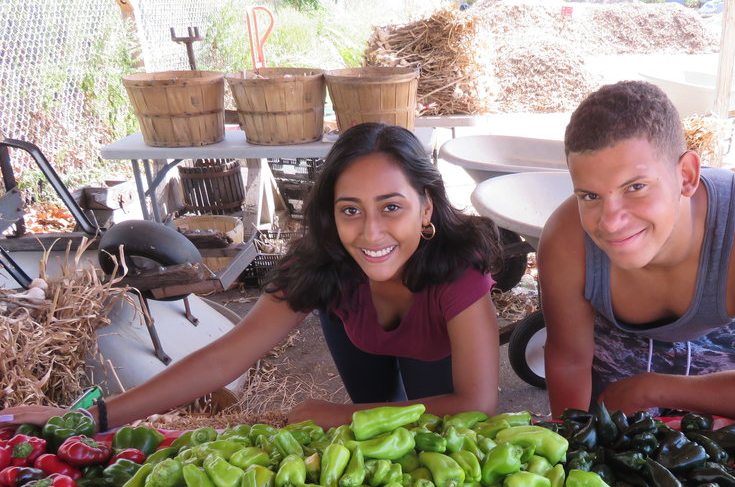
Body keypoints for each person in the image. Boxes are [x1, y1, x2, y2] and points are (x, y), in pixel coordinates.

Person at [2, 122, 502, 431]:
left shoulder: (457, 274)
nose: (371, 233)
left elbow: (476, 404)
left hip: (436, 346)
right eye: (351, 209)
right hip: (356, 327)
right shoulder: (321, 266)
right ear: (331, 213)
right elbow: (225, 356)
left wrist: (341, 417)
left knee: (430, 417)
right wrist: (96, 417)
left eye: (392, 206)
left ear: (426, 205)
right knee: (378, 412)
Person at [537, 80, 735, 420]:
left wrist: (646, 389)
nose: (611, 222)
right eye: (589, 196)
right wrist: (573, 449)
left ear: (686, 176)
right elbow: (570, 361)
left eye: (636, 187)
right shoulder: (564, 241)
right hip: (614, 360)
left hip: (731, 365)